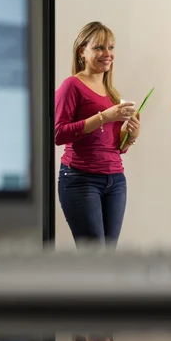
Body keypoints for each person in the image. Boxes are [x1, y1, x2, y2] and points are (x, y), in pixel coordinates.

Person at [55, 21, 141, 249]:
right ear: (82, 51)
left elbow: (116, 147)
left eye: (111, 48)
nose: (108, 54)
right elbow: (58, 134)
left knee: (107, 259)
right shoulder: (71, 86)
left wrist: (131, 135)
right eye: (99, 48)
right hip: (80, 179)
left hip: (115, 181)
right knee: (94, 258)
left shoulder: (112, 93)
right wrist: (104, 117)